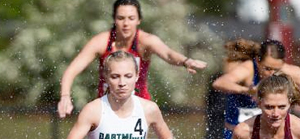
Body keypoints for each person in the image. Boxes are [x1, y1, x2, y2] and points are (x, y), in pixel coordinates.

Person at [57, 0, 207, 118]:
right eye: (121, 18)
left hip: (137, 107)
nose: (126, 23)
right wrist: (65, 96)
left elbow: (168, 54)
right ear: (114, 20)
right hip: (106, 107)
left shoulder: (145, 41)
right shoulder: (102, 42)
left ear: (139, 20)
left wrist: (186, 61)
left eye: (131, 18)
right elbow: (72, 69)